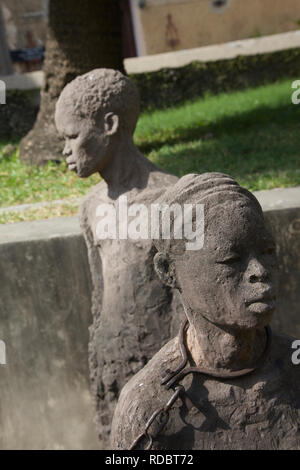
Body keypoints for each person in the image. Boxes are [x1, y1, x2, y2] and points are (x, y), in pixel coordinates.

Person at [111, 172, 300, 450]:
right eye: (231, 259)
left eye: (267, 251)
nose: (259, 271)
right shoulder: (147, 405)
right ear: (168, 270)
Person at [55, 69, 183, 447]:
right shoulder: (91, 207)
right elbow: (100, 297)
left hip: (164, 365)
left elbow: (186, 295)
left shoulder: (170, 198)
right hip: (113, 366)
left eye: (72, 137)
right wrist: (99, 362)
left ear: (109, 124)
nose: (65, 150)